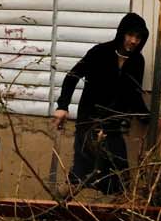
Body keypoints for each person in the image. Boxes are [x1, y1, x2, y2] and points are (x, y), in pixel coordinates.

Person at [52, 12, 150, 194]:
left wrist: (148, 118)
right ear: (121, 33)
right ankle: (57, 207)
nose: (134, 41)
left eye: (138, 37)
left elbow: (134, 94)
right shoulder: (100, 53)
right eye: (130, 35)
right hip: (90, 121)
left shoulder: (137, 61)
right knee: (82, 172)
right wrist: (62, 106)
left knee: (119, 176)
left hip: (113, 126)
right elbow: (72, 77)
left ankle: (116, 219)